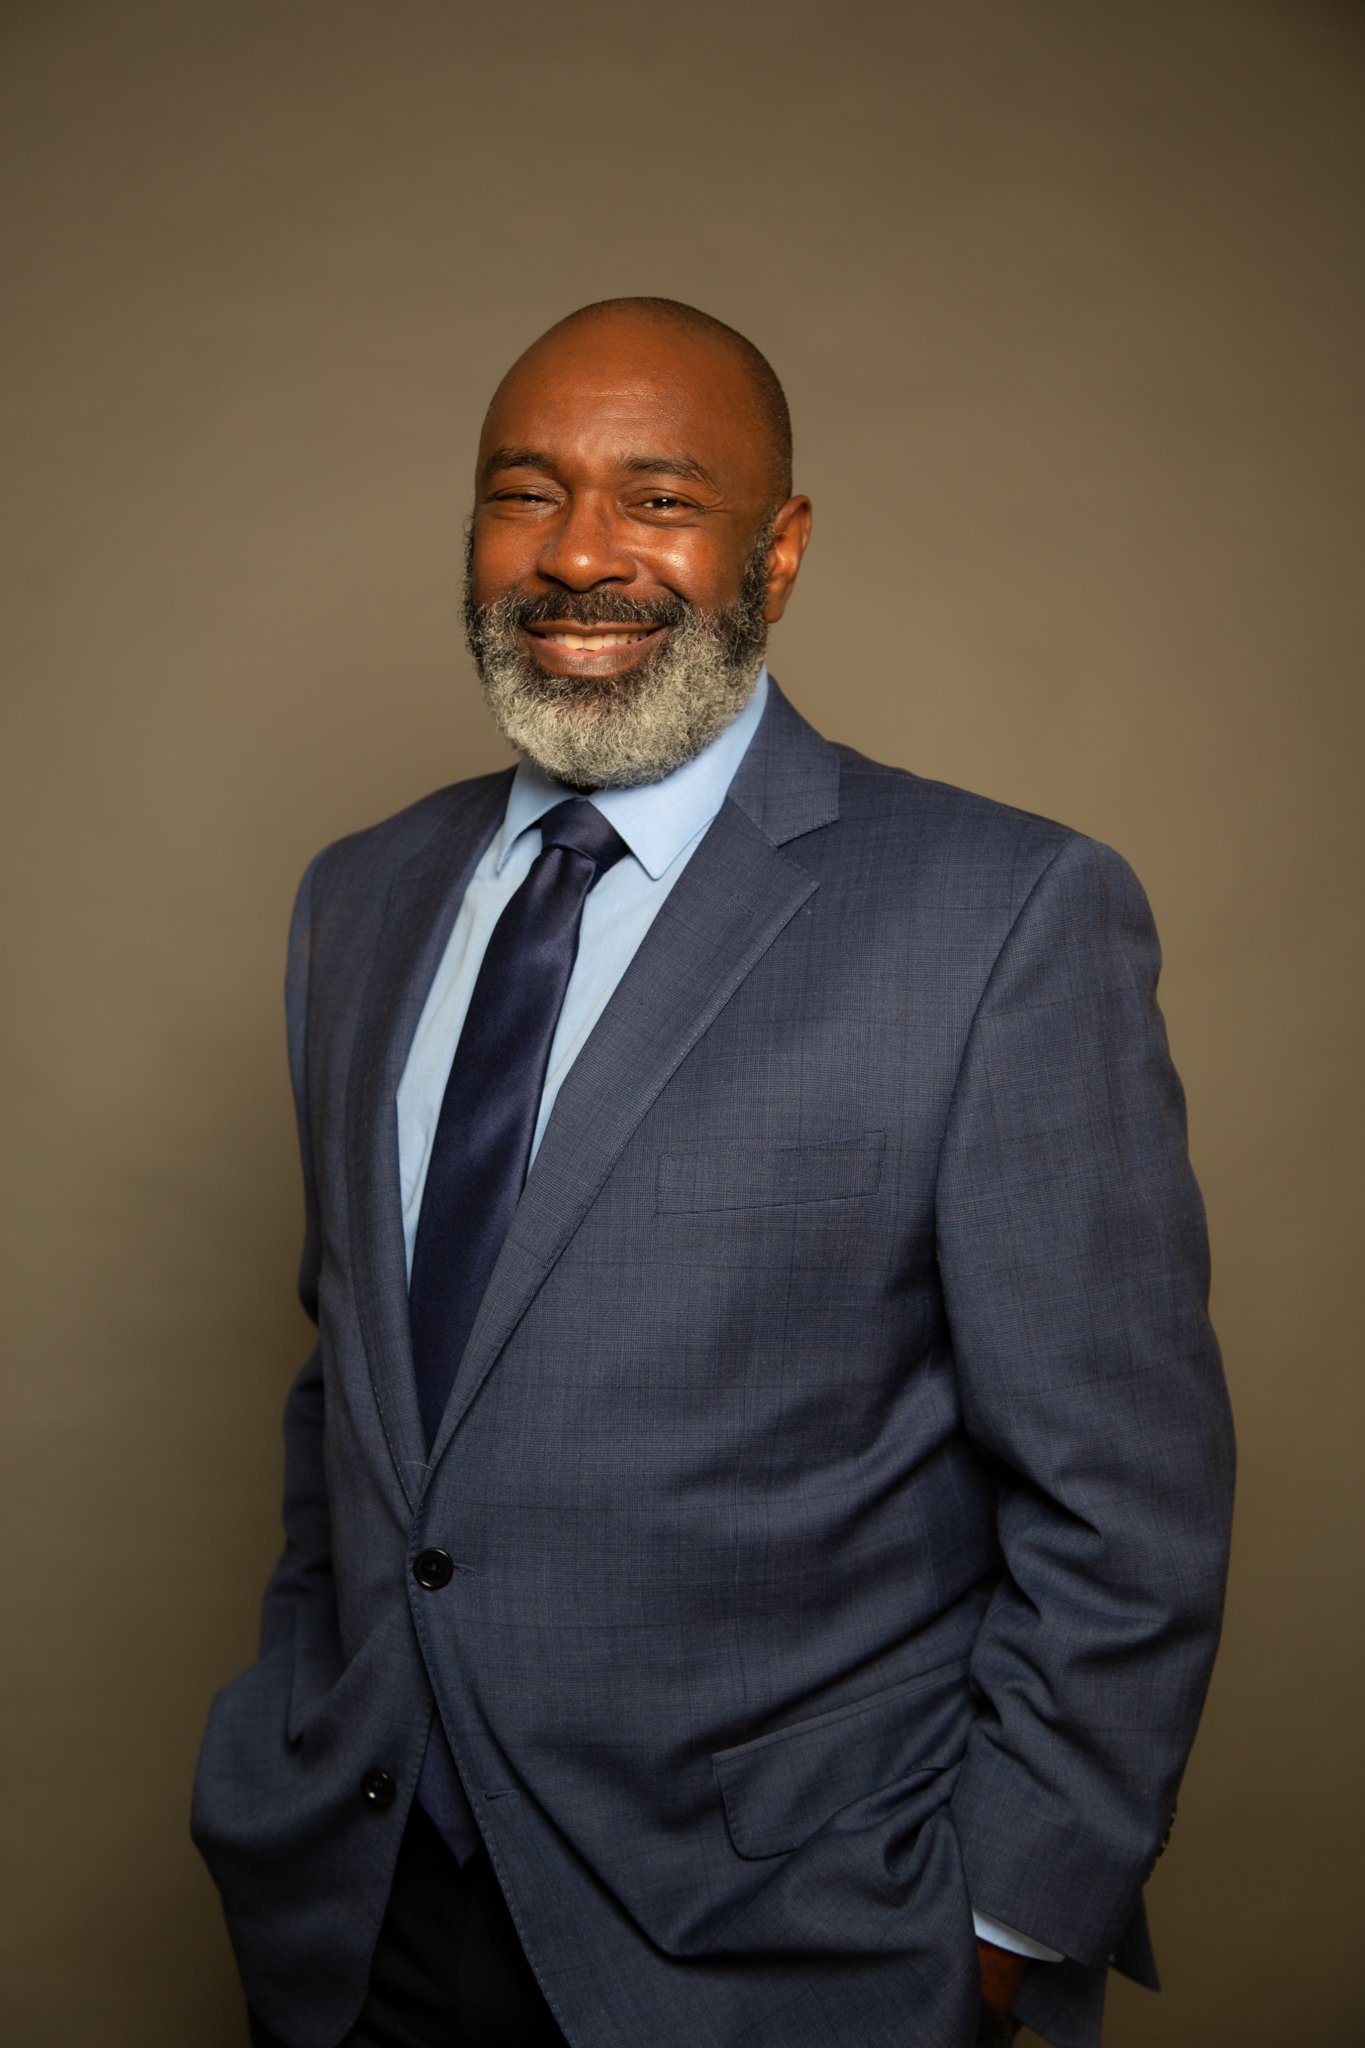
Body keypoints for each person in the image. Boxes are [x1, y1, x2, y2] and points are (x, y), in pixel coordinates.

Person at [192, 297, 1235, 2048]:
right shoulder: (358, 900)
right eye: (524, 494)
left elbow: (1126, 1502)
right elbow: (358, 1396)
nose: (579, 553)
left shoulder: (1001, 917)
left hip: (792, 1949)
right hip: (360, 1916)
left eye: (656, 498)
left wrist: (998, 1921)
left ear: (781, 546)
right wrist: (293, 1732)